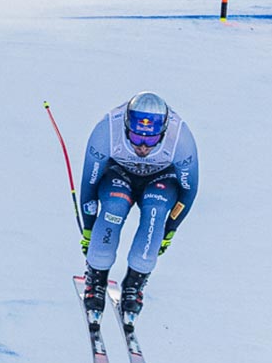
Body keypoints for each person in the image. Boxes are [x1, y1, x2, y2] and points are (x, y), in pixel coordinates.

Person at [77, 92, 199, 318]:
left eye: (151, 140)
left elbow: (188, 192)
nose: (142, 147)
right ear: (125, 127)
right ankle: (96, 276)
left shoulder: (180, 139)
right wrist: (88, 228)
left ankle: (135, 283)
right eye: (135, 137)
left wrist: (169, 230)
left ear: (163, 132)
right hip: (118, 174)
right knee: (114, 206)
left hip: (161, 179)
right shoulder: (107, 131)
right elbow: (89, 183)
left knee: (156, 212)